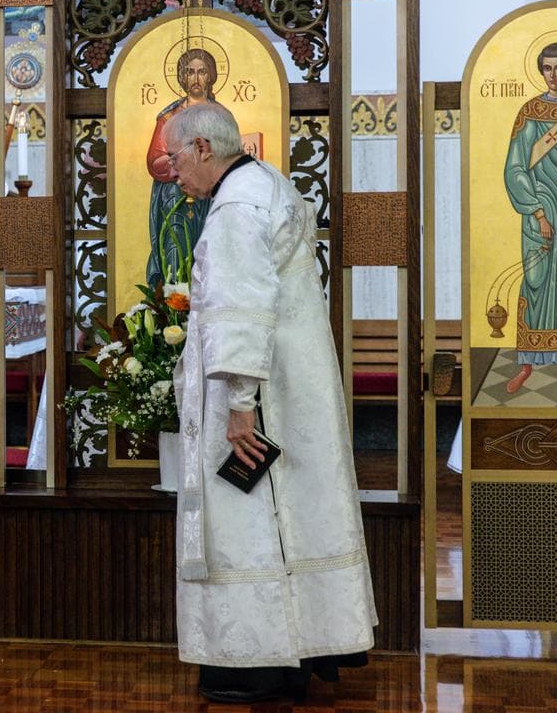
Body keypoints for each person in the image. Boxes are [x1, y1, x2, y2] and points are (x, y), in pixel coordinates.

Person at [163, 104, 376, 703]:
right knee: (293, 518)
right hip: (292, 379)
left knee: (250, 516)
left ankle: (251, 661)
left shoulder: (234, 207)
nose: (172, 172)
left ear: (203, 147)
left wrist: (238, 402)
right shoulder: (270, 183)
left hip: (259, 393)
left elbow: (240, 308)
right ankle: (304, 648)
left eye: (176, 158)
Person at [502, 41, 557, 394]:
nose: (552, 76)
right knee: (537, 281)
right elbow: (515, 169)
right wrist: (538, 211)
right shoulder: (530, 112)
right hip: (540, 212)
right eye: (547, 68)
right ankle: (528, 363)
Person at [144, 48, 217, 289]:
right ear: (181, 78)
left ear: (211, 76)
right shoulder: (168, 117)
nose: (196, 78)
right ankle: (174, 306)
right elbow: (155, 162)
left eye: (202, 72)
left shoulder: (221, 116)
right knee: (176, 247)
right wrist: (183, 157)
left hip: (209, 196)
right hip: (175, 197)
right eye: (190, 72)